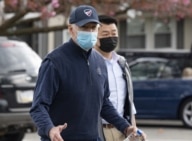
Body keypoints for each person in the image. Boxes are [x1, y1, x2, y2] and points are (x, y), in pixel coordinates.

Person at [29, 5, 138, 141]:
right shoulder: (54, 62)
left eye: (93, 28)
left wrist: (126, 127)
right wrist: (50, 129)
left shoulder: (99, 61)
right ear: (71, 29)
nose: (90, 32)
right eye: (84, 28)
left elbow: (104, 103)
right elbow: (38, 107)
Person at [94, 15, 146, 141]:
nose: (110, 37)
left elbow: (129, 101)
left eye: (114, 33)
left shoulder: (122, 63)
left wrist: (132, 128)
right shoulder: (90, 64)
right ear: (95, 36)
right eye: (105, 34)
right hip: (97, 130)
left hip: (122, 130)